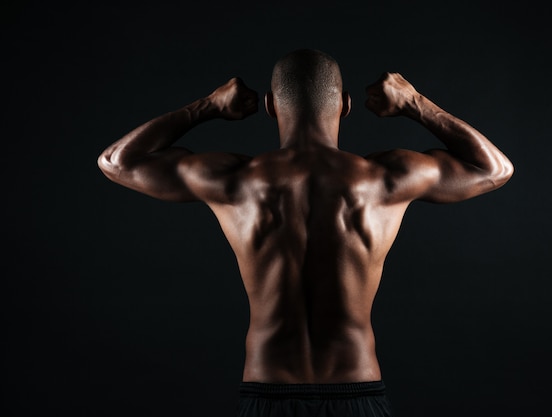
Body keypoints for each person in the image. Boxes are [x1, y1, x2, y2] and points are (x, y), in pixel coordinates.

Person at [97, 49, 514, 417]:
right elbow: (495, 169)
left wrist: (206, 107)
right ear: (346, 105)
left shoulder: (236, 182)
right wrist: (414, 103)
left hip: (266, 391)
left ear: (270, 106)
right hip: (358, 390)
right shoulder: (384, 180)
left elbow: (117, 162)